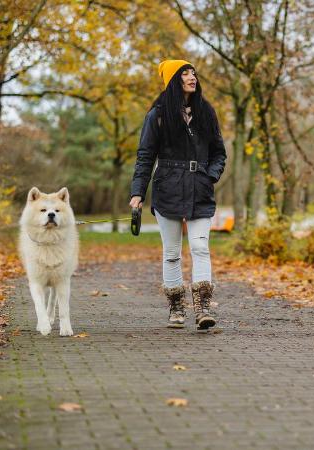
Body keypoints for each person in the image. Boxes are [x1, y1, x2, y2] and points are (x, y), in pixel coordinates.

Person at [129, 59, 226, 330]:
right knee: (172, 253)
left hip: (199, 190)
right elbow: (145, 156)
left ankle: (204, 308)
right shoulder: (157, 115)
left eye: (193, 72)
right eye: (185, 73)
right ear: (174, 80)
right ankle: (176, 308)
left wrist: (210, 176)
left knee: (199, 248)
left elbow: (219, 152)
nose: (191, 77)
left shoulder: (206, 111)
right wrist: (137, 192)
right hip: (167, 189)